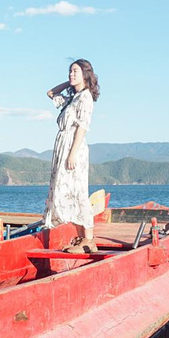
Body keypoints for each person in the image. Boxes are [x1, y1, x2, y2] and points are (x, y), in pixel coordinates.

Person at [44, 59, 99, 252]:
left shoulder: (85, 98)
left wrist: (72, 154)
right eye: (69, 71)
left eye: (75, 71)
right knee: (68, 191)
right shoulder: (72, 99)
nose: (70, 74)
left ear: (85, 74)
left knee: (78, 192)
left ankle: (89, 240)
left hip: (73, 147)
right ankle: (81, 239)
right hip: (64, 146)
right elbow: (51, 93)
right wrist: (70, 83)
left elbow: (83, 127)